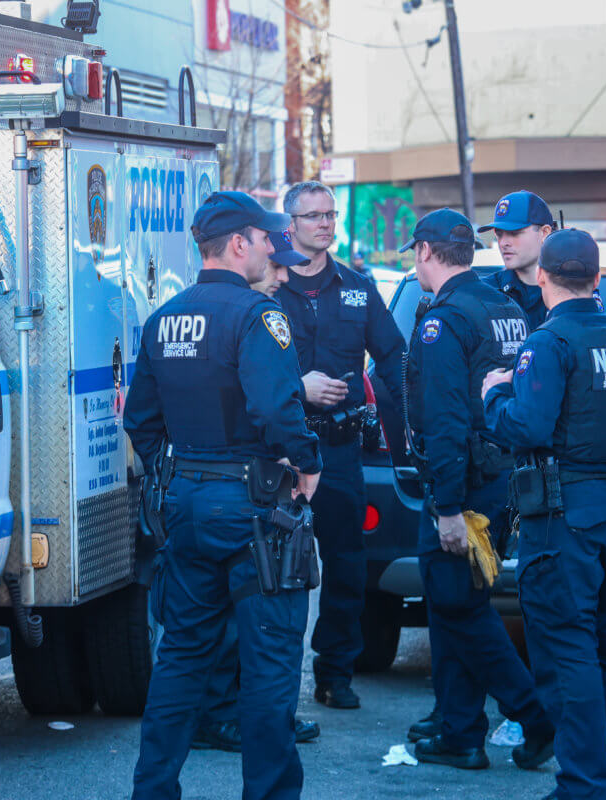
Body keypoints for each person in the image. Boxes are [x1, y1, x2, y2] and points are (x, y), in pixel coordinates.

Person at [125, 190, 322, 800]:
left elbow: (140, 421)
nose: (272, 249)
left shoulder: (165, 319)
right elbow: (275, 408)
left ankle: (153, 790)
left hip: (187, 506)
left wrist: (176, 476)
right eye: (266, 238)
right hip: (255, 509)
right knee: (269, 668)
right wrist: (307, 463)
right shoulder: (259, 317)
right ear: (239, 244)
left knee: (182, 658)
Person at [482, 229, 606, 800]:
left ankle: (585, 786)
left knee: (567, 656)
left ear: (542, 277)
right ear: (597, 278)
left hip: (563, 517)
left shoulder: (547, 343)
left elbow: (526, 427)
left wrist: (495, 393)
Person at [400, 208, 556, 771]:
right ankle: (461, 731)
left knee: (460, 608)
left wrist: (446, 507)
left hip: (462, 487)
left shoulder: (447, 319)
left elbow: (442, 422)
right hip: (498, 478)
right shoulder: (504, 306)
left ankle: (536, 716)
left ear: (424, 252)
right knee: (453, 606)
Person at [191, 230, 321, 753]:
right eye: (279, 266)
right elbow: (263, 404)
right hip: (250, 482)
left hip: (216, 486)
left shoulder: (255, 316)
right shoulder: (255, 319)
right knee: (253, 608)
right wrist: (305, 456)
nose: (285, 276)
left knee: (241, 609)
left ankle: (252, 713)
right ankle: (238, 717)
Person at [280, 180, 406, 709]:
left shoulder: (357, 286)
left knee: (347, 565)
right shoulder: (268, 286)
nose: (326, 224)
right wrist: (296, 385)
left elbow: (394, 355)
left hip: (339, 450)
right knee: (276, 569)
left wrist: (404, 428)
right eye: (313, 216)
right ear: (290, 226)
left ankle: (334, 672)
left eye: (330, 214)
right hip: (281, 454)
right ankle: (274, 684)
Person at [478, 190, 556, 330]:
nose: (503, 243)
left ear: (544, 233)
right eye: (499, 234)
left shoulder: (567, 290)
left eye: (515, 233)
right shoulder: (485, 292)